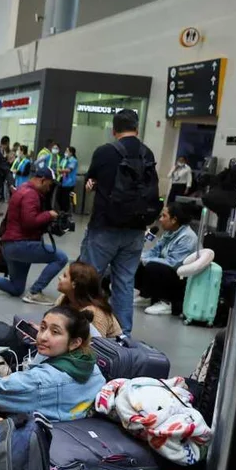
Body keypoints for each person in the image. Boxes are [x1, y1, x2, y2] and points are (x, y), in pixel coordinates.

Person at [79, 108, 162, 334]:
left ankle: (84, 328)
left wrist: (93, 183)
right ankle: (122, 334)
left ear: (114, 130)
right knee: (124, 282)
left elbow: (92, 179)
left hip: (105, 227)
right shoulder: (148, 153)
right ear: (136, 128)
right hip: (136, 230)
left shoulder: (105, 152)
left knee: (89, 279)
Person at [0, 166, 67, 305]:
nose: (49, 189)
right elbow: (29, 222)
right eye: (49, 185)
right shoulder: (31, 194)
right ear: (43, 180)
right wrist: (48, 215)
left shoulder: (22, 188)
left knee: (16, 288)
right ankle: (35, 292)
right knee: (61, 258)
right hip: (21, 244)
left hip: (10, 246)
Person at [133, 204, 198, 316]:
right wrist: (141, 258)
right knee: (138, 261)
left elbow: (174, 263)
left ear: (174, 220)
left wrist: (147, 260)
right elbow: (154, 251)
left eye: (164, 216)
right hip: (170, 270)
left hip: (181, 277)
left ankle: (166, 303)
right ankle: (145, 296)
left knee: (153, 266)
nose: (160, 219)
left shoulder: (187, 237)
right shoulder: (169, 232)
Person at [57, 261, 123, 338]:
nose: (59, 277)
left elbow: (96, 345)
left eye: (64, 276)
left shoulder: (96, 314)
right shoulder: (64, 298)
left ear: (74, 284)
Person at [203, 150, 236, 229]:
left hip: (220, 198)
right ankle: (229, 235)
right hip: (229, 200)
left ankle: (220, 236)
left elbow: (219, 179)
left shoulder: (234, 167)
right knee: (232, 220)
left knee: (223, 220)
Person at [57, 146, 78, 216]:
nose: (65, 152)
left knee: (65, 199)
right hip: (62, 181)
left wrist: (60, 170)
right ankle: (61, 211)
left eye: (67, 151)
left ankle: (65, 213)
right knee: (58, 197)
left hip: (69, 182)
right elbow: (59, 166)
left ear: (71, 153)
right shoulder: (64, 159)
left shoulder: (73, 160)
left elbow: (69, 170)